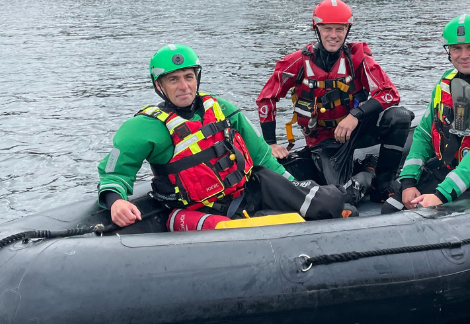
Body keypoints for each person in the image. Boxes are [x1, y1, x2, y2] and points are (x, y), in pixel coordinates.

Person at [98, 44, 352, 231]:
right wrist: (115, 201)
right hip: (197, 210)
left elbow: (262, 156)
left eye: (188, 77)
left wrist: (296, 188)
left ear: (197, 78)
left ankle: (350, 189)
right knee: (235, 229)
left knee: (328, 201)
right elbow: (114, 172)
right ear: (159, 86)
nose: (184, 86)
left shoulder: (223, 109)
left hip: (245, 192)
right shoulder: (143, 127)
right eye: (173, 79)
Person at [256, 0, 413, 205]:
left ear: (347, 30)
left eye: (340, 29)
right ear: (317, 29)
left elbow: (389, 93)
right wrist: (271, 143)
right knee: (344, 196)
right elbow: (266, 99)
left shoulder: (357, 58)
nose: (333, 35)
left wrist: (355, 115)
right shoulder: (296, 62)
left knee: (399, 117)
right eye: (327, 28)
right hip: (324, 140)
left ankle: (383, 184)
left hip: (356, 130)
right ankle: (368, 168)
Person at [383, 14, 470, 213]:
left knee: (433, 216)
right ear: (448, 51)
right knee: (391, 208)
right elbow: (424, 133)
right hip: (449, 169)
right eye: (456, 48)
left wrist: (442, 194)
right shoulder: (446, 81)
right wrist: (408, 181)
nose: (463, 55)